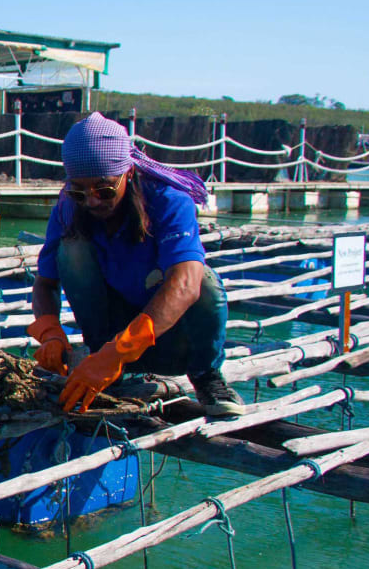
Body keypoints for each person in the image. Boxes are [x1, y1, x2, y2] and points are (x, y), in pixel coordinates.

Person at [26, 112, 244, 417]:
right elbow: (46, 283)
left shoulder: (169, 200)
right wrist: (50, 332)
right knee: (71, 247)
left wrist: (119, 352)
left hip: (171, 342)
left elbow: (185, 284)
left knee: (202, 280)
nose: (91, 201)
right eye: (79, 190)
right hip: (109, 339)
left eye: (103, 190)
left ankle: (206, 375)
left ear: (127, 173)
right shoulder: (68, 206)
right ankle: (102, 364)